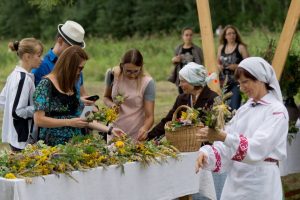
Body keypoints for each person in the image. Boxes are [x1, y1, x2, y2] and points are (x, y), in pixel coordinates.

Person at [195, 57, 289, 200]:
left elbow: (258, 147)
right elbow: (227, 146)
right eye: (239, 83)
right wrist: (206, 154)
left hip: (261, 184)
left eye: (246, 82)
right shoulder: (244, 110)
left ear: (261, 79)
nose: (242, 88)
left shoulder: (276, 111)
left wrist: (221, 136)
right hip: (235, 184)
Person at [33, 46, 123, 146]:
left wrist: (110, 129)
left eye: (82, 68)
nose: (80, 72)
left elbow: (83, 118)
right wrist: (69, 122)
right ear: (68, 65)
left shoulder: (72, 85)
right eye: (79, 68)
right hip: (52, 147)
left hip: (75, 145)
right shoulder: (45, 84)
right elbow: (39, 120)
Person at [147, 62, 218, 140]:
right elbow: (168, 120)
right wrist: (149, 136)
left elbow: (217, 129)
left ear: (194, 81)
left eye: (183, 81)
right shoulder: (182, 98)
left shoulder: (213, 99)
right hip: (185, 146)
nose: (180, 85)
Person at [32, 20, 92, 105]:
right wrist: (76, 101)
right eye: (70, 48)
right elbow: (38, 103)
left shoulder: (77, 66)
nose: (74, 53)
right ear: (60, 41)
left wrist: (91, 108)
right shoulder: (40, 67)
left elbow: (83, 94)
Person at [0, 38, 43, 151]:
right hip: (21, 139)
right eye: (39, 56)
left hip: (14, 136)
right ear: (27, 57)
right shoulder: (23, 79)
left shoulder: (14, 75)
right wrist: (39, 109)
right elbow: (18, 111)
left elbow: (3, 101)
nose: (41, 59)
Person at [103, 49, 155, 141]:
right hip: (115, 130)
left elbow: (149, 116)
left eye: (136, 71)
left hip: (136, 133)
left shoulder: (147, 82)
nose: (132, 75)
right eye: (128, 71)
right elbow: (106, 97)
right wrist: (112, 105)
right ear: (122, 65)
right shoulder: (112, 75)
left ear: (141, 67)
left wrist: (145, 129)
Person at [217, 25, 249, 111]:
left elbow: (249, 65)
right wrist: (219, 66)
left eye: (233, 33)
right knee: (223, 108)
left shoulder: (241, 47)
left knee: (234, 106)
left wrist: (237, 66)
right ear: (225, 36)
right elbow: (217, 62)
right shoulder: (221, 48)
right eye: (229, 33)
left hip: (236, 82)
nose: (232, 35)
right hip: (223, 82)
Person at [169, 27, 204, 94]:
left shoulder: (197, 49)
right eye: (186, 35)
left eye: (190, 35)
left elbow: (201, 63)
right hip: (181, 78)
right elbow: (174, 62)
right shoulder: (178, 49)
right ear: (182, 36)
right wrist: (174, 60)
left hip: (193, 78)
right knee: (182, 97)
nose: (189, 37)